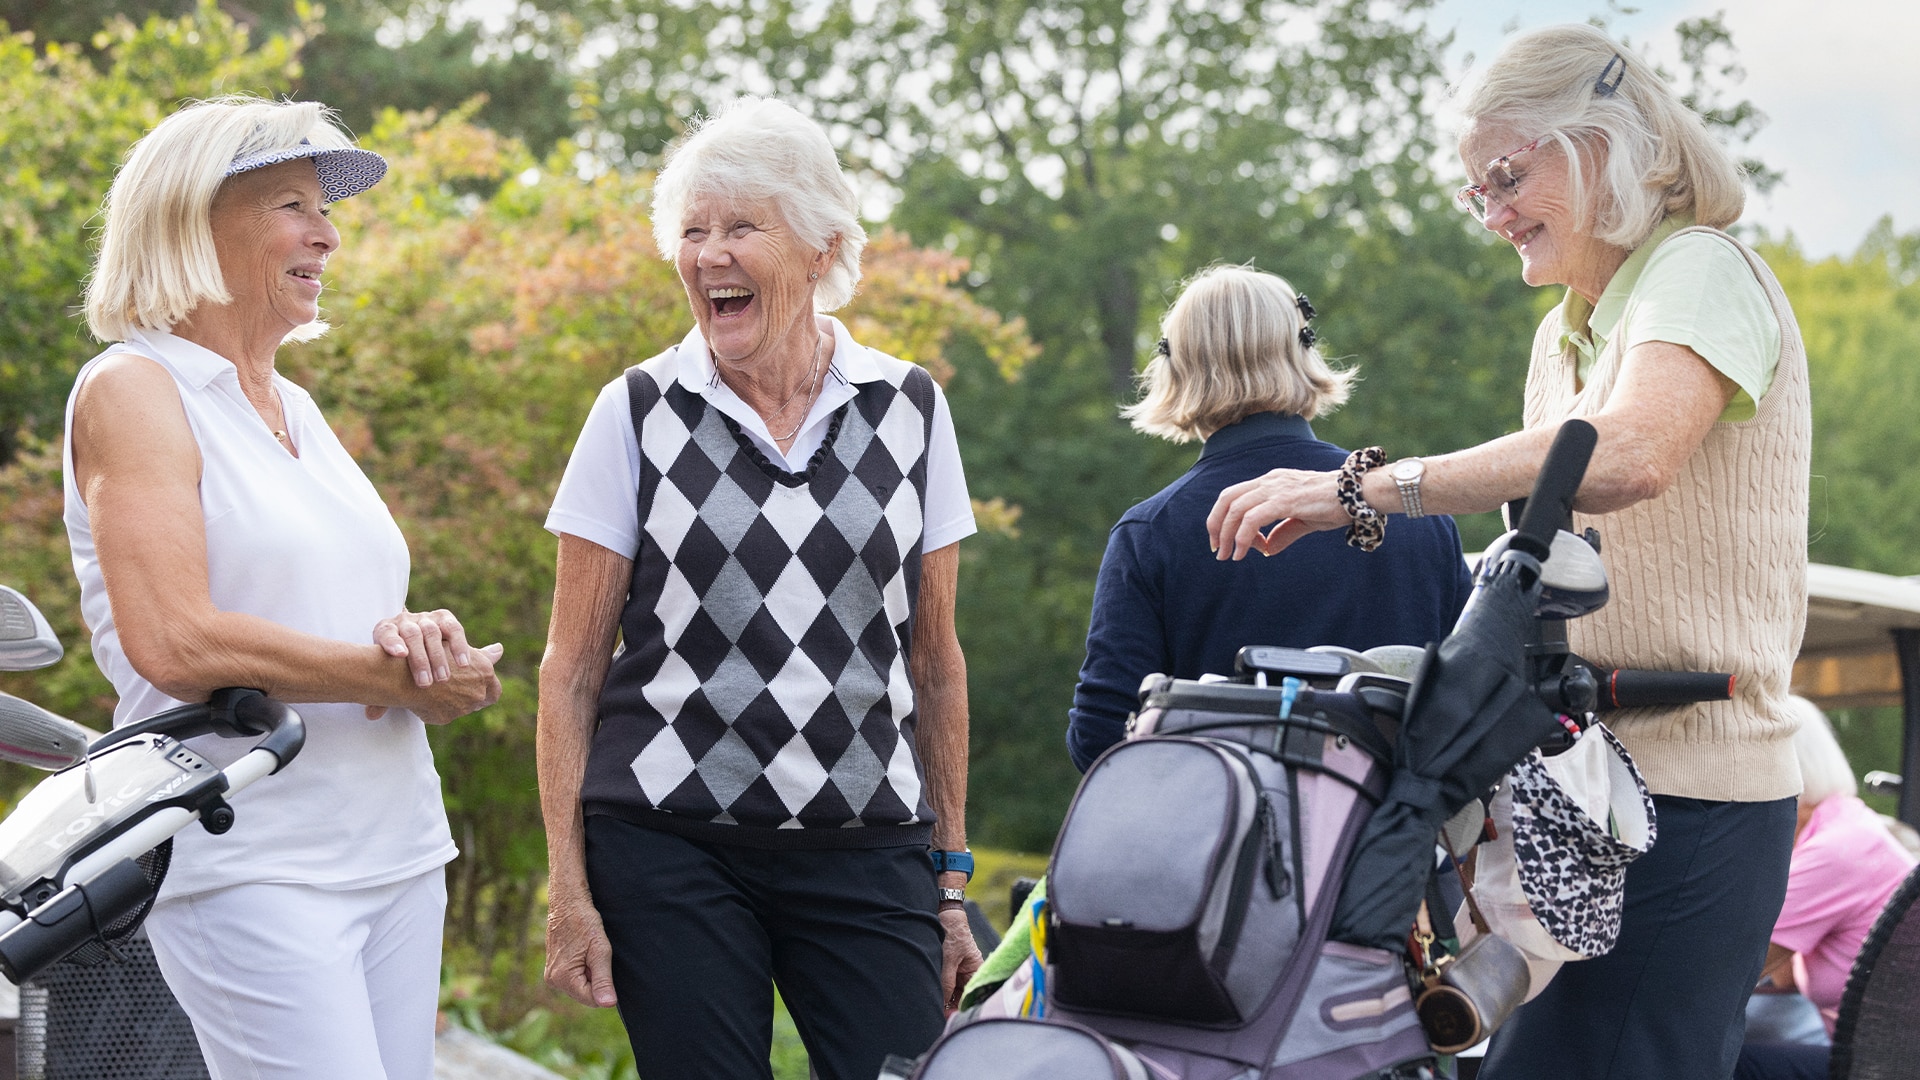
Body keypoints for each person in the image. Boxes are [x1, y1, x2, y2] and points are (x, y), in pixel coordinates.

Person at [1206, 24, 1809, 1080]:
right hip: (1583, 793)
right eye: (1472, 193)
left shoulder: (1700, 271)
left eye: (1505, 175)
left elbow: (1625, 456)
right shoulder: (1565, 332)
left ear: (1604, 144)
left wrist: (1361, 489)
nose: (1490, 214)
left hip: (1696, 792)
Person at [536, 95, 980, 1080]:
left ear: (822, 248)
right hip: (667, 840)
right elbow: (569, 670)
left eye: (742, 226)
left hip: (868, 840)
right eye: (692, 232)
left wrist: (950, 880)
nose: (709, 255)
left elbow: (935, 661)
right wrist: (569, 888)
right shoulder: (636, 412)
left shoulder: (909, 408)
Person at [64, 95, 504, 1080]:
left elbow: (330, 611)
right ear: (190, 218)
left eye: (326, 211)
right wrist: (388, 680)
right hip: (252, 861)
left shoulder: (296, 407)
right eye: (292, 206)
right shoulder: (134, 387)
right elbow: (175, 641)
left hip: (396, 849)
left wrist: (423, 646)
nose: (328, 235)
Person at [1067, 264, 1472, 771]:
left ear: (1178, 367)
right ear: (1302, 351)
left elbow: (1102, 735)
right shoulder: (1421, 515)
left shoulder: (1152, 533)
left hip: (1225, 838)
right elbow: (1471, 703)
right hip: (1402, 840)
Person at [1735, 697, 1918, 1080]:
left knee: (1725, 1064)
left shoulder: (1835, 851)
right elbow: (1782, 974)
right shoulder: (1847, 825)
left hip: (1882, 1067)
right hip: (1881, 1058)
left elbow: (1736, 969)